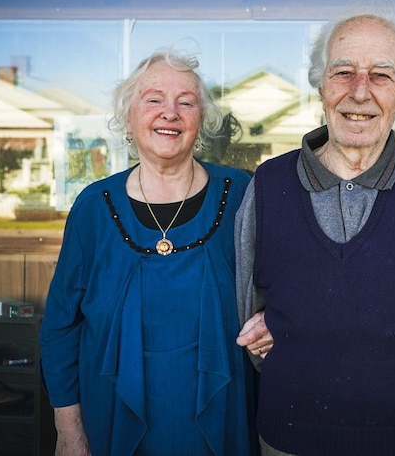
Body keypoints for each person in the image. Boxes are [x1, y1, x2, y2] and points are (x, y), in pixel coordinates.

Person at [235, 5, 395, 455]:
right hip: (293, 438)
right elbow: (252, 318)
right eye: (343, 72)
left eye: (381, 75)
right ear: (320, 86)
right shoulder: (267, 186)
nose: (359, 92)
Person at [40, 48, 255, 456]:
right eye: (154, 99)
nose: (169, 113)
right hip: (111, 419)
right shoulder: (92, 207)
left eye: (185, 102)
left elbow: (277, 286)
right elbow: (60, 328)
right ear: (128, 117)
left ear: (201, 121)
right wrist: (69, 430)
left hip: (223, 417)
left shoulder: (242, 193)